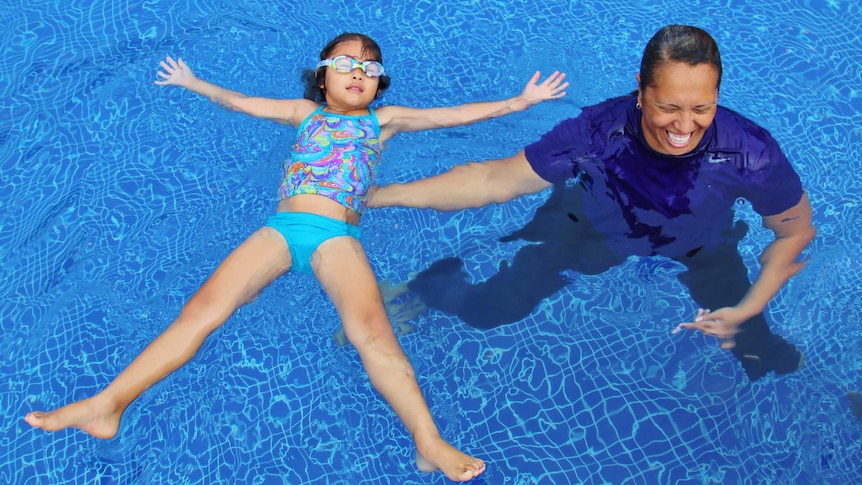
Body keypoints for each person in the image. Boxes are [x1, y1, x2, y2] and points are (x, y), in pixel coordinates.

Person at [23, 33, 568, 481]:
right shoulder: (301, 112)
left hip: (336, 237)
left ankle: (427, 442)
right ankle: (109, 403)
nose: (358, 73)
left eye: (370, 68)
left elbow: (450, 117)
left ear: (379, 82)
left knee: (373, 335)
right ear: (321, 75)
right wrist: (194, 83)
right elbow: (240, 102)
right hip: (280, 230)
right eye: (345, 63)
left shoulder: (384, 121)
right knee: (200, 312)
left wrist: (516, 103)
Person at [369, 25, 816, 382]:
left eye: (702, 107)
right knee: (492, 311)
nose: (684, 126)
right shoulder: (598, 132)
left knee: (759, 351)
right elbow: (493, 179)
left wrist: (748, 307)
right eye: (668, 107)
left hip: (701, 245)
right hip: (592, 226)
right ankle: (430, 286)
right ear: (640, 89)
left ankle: (771, 360)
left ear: (718, 94)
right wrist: (379, 197)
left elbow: (795, 232)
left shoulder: (750, 152)